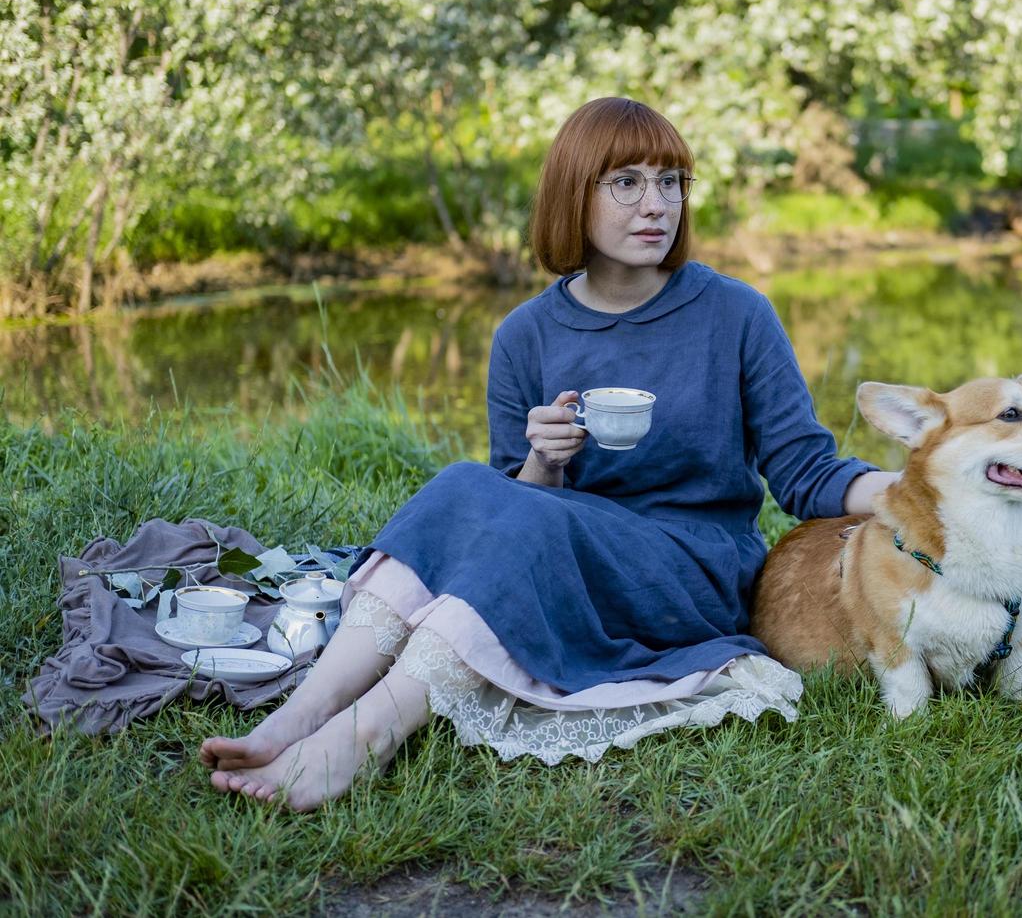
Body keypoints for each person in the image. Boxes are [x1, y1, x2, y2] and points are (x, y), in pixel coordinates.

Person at [200, 97, 899, 810]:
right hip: (566, 558)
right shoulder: (525, 333)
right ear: (575, 193)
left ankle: (364, 738)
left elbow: (806, 471)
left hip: (690, 570)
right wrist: (546, 464)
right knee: (463, 484)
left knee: (512, 518)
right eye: (625, 182)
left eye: (671, 182)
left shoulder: (737, 314)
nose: (655, 204)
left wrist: (910, 492)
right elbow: (509, 500)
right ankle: (302, 715)